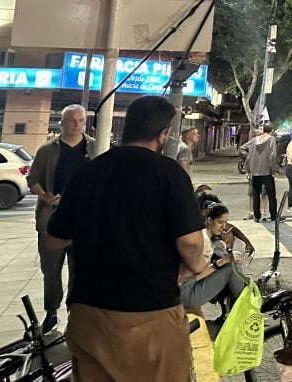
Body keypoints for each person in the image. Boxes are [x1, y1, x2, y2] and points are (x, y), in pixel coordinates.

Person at [45, 96, 206, 381]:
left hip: (89, 312)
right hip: (150, 313)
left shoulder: (87, 173)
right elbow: (191, 242)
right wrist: (196, 265)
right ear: (162, 135)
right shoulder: (169, 174)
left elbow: (54, 240)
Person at [27, 104, 96, 334]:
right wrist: (44, 195)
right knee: (51, 270)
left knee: (82, 270)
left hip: (84, 223)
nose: (77, 124)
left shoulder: (95, 147)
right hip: (52, 220)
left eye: (81, 120)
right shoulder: (48, 149)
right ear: (62, 122)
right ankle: (51, 311)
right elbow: (33, 179)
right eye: (72, 120)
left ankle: (74, 311)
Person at [179, 203, 248, 309]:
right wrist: (223, 261)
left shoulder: (202, 234)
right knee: (232, 267)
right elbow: (195, 275)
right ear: (210, 220)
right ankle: (243, 309)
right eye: (220, 222)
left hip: (183, 289)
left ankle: (238, 307)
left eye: (225, 223)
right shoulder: (205, 241)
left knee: (232, 262)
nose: (223, 227)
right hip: (187, 292)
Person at [241, 123, 281, 222]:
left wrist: (249, 157)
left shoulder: (255, 140)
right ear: (271, 130)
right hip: (267, 171)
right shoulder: (271, 139)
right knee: (271, 195)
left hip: (255, 172)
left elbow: (242, 148)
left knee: (256, 195)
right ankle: (273, 216)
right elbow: (272, 155)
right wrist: (274, 170)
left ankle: (257, 216)